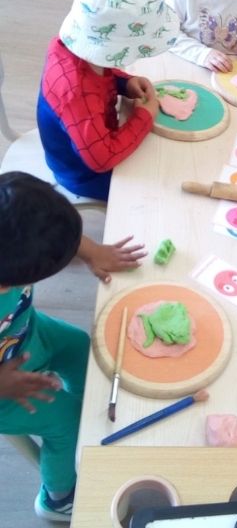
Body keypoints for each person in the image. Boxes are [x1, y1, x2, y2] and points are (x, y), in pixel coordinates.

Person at [0, 171, 147, 521]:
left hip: (27, 332)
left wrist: (92, 251)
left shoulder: (11, 234)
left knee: (82, 346)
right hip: (7, 391)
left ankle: (91, 418)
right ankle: (58, 497)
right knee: (65, 421)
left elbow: (43, 223)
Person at [37, 0, 179, 202]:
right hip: (84, 175)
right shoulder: (75, 92)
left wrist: (126, 82)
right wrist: (144, 117)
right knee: (160, 189)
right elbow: (101, 160)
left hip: (95, 141)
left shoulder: (75, 49)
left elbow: (101, 74)